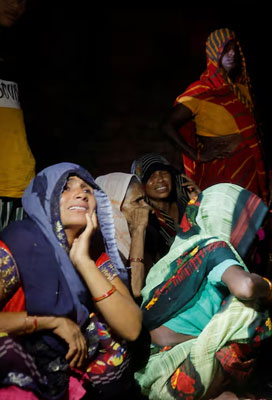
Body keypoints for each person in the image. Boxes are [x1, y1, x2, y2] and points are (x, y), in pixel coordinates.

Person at [0, 163, 142, 399]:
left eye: (88, 190)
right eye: (65, 188)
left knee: (104, 329)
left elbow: (132, 327)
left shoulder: (93, 252)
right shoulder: (20, 244)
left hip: (65, 372)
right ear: (43, 199)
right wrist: (49, 323)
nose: (81, 194)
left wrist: (83, 262)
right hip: (20, 372)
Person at [136, 184, 272, 400]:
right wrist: (269, 289)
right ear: (227, 217)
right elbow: (245, 287)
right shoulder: (214, 247)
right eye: (243, 220)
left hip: (150, 375)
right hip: (179, 377)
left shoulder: (174, 257)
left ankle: (222, 393)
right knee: (249, 311)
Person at [162, 28, 270, 202]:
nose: (232, 54)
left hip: (250, 170)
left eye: (235, 49)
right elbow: (167, 125)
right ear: (213, 53)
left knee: (250, 225)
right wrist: (196, 155)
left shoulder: (242, 89)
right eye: (226, 50)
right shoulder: (201, 91)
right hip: (221, 172)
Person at [0, 0, 33, 230]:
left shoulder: (12, 51)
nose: (16, 5)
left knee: (10, 265)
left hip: (18, 181)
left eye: (22, 1)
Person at [131, 153, 200, 262]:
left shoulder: (188, 203)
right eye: (151, 176)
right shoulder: (147, 222)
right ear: (140, 186)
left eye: (163, 172)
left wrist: (201, 202)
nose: (160, 179)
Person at [95, 173, 153, 298]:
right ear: (114, 206)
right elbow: (135, 290)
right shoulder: (101, 246)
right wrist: (138, 231)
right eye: (137, 201)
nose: (146, 206)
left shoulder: (147, 232)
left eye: (144, 199)